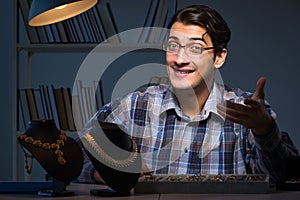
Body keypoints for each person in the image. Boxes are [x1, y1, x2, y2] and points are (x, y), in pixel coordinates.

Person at [76, 4, 298, 184]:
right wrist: (106, 174)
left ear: (219, 57)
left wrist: (264, 130)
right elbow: (75, 158)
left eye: (195, 48)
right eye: (173, 46)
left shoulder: (248, 113)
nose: (179, 59)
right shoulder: (134, 107)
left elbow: (281, 178)